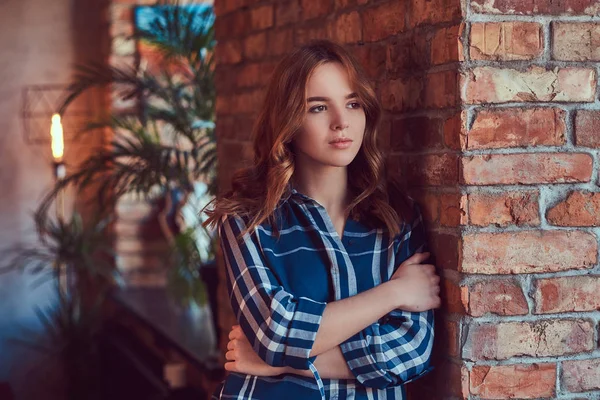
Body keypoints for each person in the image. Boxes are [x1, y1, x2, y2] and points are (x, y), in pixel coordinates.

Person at [202, 39, 441, 400]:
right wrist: (395, 293)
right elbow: (276, 331)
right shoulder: (246, 217)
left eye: (353, 103)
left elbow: (411, 352)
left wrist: (282, 362)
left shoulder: (397, 216)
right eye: (318, 108)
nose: (341, 122)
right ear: (289, 121)